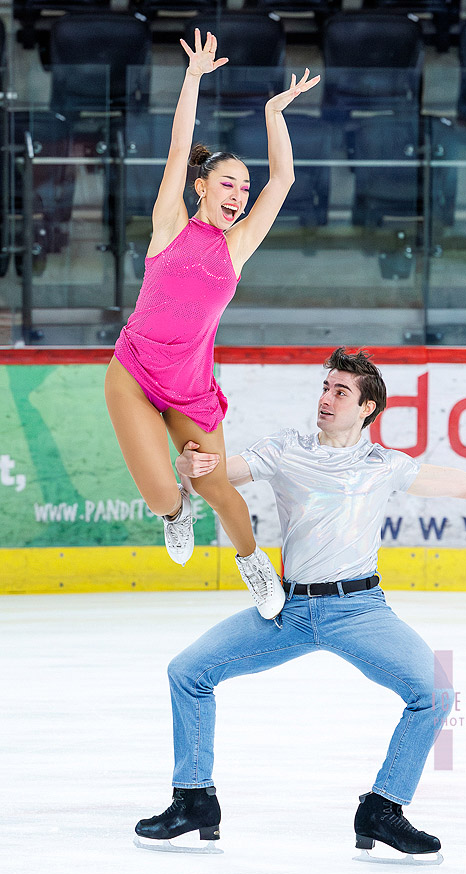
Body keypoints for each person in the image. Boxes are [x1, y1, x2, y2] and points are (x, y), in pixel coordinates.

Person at [133, 348, 466, 861]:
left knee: (435, 695)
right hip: (286, 611)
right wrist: (191, 466)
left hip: (360, 611)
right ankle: (195, 800)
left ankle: (382, 809)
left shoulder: (384, 465)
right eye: (325, 387)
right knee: (188, 672)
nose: (327, 398)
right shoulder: (286, 449)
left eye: (341, 392)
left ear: (367, 410)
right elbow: (219, 477)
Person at [104, 29, 319, 619]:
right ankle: (176, 513)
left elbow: (284, 181)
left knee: (218, 486)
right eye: (228, 183)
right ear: (202, 188)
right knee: (163, 495)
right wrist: (194, 77)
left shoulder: (239, 246)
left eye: (242, 189)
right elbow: (178, 151)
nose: (240, 194)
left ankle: (254, 565)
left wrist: (275, 112)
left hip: (192, 389)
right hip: (135, 373)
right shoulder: (171, 223)